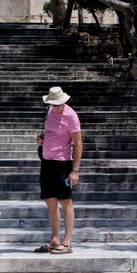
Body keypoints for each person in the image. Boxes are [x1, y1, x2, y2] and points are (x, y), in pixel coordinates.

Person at [34, 87, 82, 255]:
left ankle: (67, 242)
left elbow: (78, 143)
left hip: (63, 163)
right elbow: (51, 133)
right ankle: (55, 239)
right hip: (47, 161)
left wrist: (75, 170)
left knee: (66, 200)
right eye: (53, 104)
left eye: (59, 104)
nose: (56, 107)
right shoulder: (49, 111)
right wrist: (41, 140)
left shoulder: (71, 115)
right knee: (50, 200)